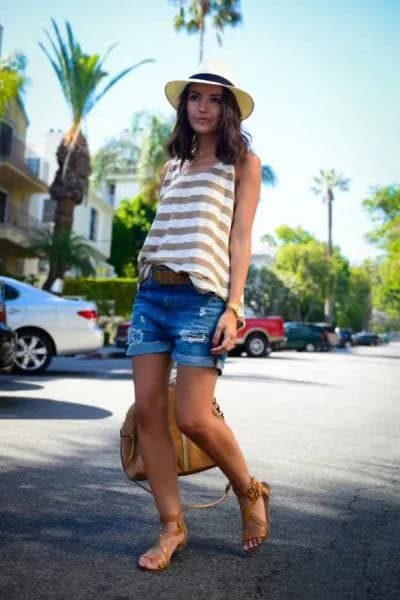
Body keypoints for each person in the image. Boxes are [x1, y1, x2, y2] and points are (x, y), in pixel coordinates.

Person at [127, 59, 270, 571]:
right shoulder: (173, 167)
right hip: (151, 295)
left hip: (202, 298)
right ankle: (172, 528)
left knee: (190, 415)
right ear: (184, 105)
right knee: (148, 413)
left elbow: (239, 239)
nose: (203, 108)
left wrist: (234, 306)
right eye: (194, 98)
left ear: (227, 108)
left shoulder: (243, 164)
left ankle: (249, 491)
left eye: (214, 99)